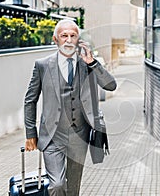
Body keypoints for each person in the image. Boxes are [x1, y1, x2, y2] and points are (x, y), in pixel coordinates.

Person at [24, 19, 117, 195]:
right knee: (57, 184)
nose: (68, 39)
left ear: (78, 40)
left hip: (79, 136)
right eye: (63, 35)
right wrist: (30, 133)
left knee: (73, 187)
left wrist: (92, 62)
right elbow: (30, 100)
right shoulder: (42, 65)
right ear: (55, 39)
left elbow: (111, 86)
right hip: (52, 136)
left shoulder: (87, 64)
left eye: (72, 36)